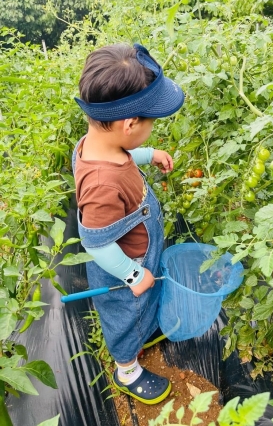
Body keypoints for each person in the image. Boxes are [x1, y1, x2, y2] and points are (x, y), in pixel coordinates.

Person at [72, 43, 185, 405]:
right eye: (151, 123)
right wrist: (133, 277)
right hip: (124, 266)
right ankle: (127, 369)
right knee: (126, 317)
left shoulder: (100, 144)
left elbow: (122, 152)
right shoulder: (102, 184)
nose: (152, 128)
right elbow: (97, 243)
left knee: (143, 305)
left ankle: (143, 329)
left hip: (137, 252)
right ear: (130, 123)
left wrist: (148, 154)